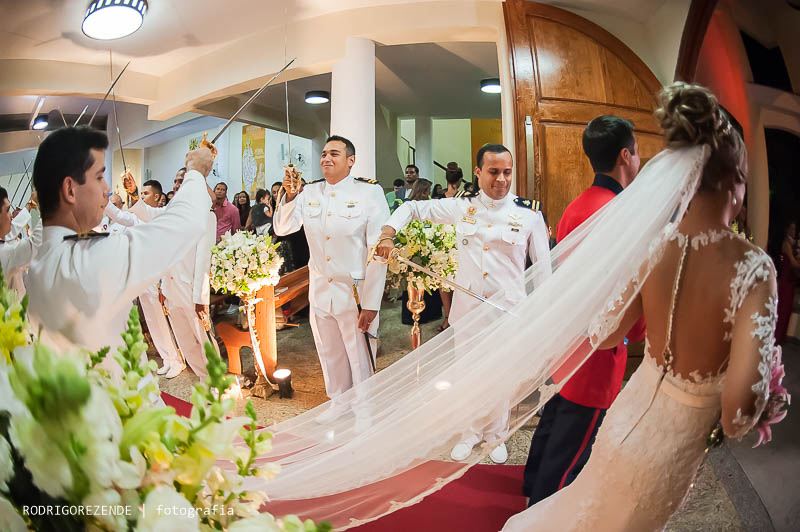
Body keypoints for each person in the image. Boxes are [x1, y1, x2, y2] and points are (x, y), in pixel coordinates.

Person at [504, 82, 780, 530]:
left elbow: (605, 331)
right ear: (735, 179)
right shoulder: (752, 267)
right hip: (669, 445)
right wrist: (762, 392)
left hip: (626, 419)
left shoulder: (654, 243)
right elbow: (736, 416)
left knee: (586, 507)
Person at [376, 143, 551, 464]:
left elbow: (543, 271)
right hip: (469, 311)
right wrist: (388, 232)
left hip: (508, 311)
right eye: (494, 172)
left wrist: (542, 315)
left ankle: (496, 435)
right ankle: (470, 432)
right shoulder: (462, 208)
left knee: (501, 375)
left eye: (507, 172)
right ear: (478, 172)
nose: (501, 179)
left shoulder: (529, 214)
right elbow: (413, 208)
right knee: (468, 373)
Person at [522, 115, 646, 505]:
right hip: (596, 348)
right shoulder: (619, 213)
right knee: (572, 451)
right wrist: (639, 329)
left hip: (567, 341)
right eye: (638, 151)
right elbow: (626, 286)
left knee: (555, 426)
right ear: (625, 155)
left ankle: (528, 490)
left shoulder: (578, 205)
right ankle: (541, 515)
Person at [26, 126, 213, 378]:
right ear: (70, 189)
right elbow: (182, 225)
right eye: (99, 177)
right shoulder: (89, 258)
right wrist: (196, 173)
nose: (107, 190)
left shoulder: (46, 249)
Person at [274, 135, 389, 409]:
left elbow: (378, 252)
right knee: (329, 352)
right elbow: (283, 228)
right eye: (324, 153)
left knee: (359, 356)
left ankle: (364, 409)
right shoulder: (310, 192)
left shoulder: (369, 193)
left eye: (334, 154)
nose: (326, 158)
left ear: (350, 161)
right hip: (321, 290)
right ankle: (337, 403)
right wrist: (290, 196)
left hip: (354, 293)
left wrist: (372, 303)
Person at [123, 170, 219, 378]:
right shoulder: (171, 214)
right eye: (175, 181)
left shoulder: (206, 216)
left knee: (203, 339)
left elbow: (203, 260)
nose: (176, 185)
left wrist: (201, 298)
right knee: (185, 341)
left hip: (190, 289)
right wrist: (134, 193)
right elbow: (147, 214)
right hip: (171, 289)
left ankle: (218, 383)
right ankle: (204, 378)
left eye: (181, 181)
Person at [105, 184, 185, 378]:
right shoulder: (135, 219)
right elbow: (119, 215)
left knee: (162, 318)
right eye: (140, 194)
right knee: (151, 319)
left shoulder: (159, 217)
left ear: (157, 198)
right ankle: (167, 358)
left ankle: (177, 359)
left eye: (145, 194)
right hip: (141, 274)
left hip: (160, 274)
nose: (141, 198)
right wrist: (102, 200)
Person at [437, 162, 465, 331]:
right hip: (460, 242)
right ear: (460, 180)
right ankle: (458, 316)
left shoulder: (439, 196)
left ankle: (447, 317)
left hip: (441, 242)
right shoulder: (465, 198)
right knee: (460, 282)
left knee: (444, 282)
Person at [0, 186, 41, 296]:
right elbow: (34, 244)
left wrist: (29, 205)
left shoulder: (5, 242)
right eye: (8, 210)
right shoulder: (5, 253)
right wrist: (52, 207)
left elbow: (11, 229)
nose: (11, 216)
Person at [776, 221, 800, 345]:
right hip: (786, 283)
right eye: (791, 228)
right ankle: (776, 339)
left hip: (791, 283)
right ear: (787, 230)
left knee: (787, 312)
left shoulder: (793, 245)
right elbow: (793, 263)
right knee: (782, 312)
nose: (793, 231)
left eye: (794, 229)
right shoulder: (786, 244)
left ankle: (780, 340)